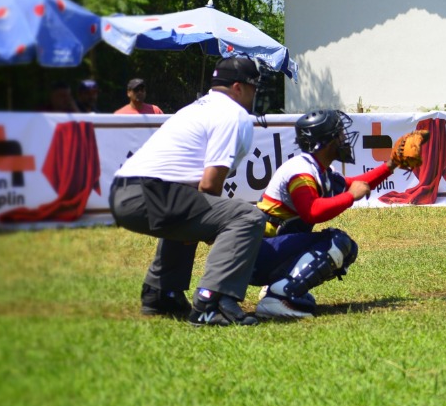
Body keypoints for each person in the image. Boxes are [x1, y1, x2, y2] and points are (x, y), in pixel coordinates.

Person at [108, 56, 269, 326]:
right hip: (151, 193)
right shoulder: (233, 113)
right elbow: (209, 184)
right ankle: (213, 302)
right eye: (254, 87)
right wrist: (210, 229)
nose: (256, 94)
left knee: (193, 207)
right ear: (239, 87)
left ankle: (162, 293)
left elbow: (194, 192)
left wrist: (200, 225)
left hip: (124, 191)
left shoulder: (195, 108)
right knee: (246, 217)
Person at [250, 109, 400, 320]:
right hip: (256, 254)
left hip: (263, 252)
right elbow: (312, 212)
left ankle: (277, 288)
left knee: (348, 249)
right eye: (340, 134)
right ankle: (276, 298)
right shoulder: (301, 171)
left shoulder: (317, 169)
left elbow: (357, 184)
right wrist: (351, 197)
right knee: (337, 242)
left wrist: (392, 165)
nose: (344, 139)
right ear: (327, 141)